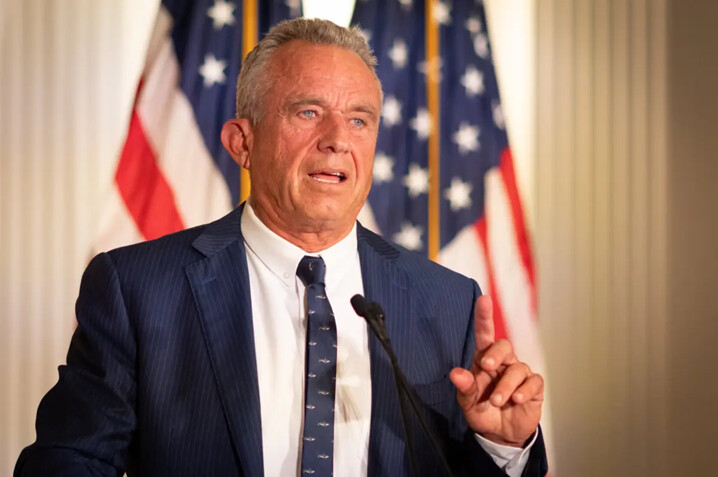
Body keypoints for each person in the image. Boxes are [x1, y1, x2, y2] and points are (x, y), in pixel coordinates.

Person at [15, 18, 547, 477]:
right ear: (242, 143)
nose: (338, 137)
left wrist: (503, 448)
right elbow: (69, 461)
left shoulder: (447, 302)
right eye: (308, 112)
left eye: (359, 119)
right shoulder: (138, 289)